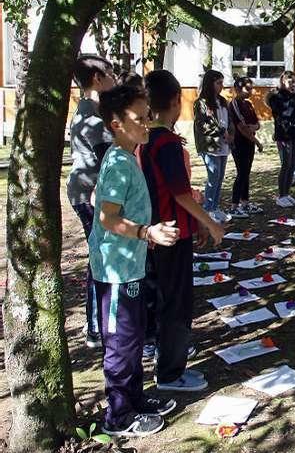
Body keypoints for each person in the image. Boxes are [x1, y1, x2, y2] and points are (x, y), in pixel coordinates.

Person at [91, 84, 179, 437]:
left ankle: (136, 399)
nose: (147, 124)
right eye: (139, 119)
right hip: (115, 272)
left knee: (134, 337)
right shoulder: (118, 163)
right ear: (116, 124)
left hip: (131, 266)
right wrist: (146, 232)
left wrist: (148, 235)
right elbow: (107, 218)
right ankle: (118, 417)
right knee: (121, 343)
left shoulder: (129, 157)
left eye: (147, 117)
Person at [141, 70, 224, 392]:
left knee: (166, 300)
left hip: (161, 231)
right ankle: (170, 374)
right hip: (171, 235)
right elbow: (179, 193)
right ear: (177, 101)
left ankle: (168, 366)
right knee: (176, 303)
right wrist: (209, 222)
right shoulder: (167, 143)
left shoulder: (146, 140)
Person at [67, 55, 117, 348]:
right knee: (99, 258)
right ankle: (96, 326)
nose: (114, 79)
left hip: (90, 192)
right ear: (97, 79)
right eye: (110, 74)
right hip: (89, 194)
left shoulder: (94, 111)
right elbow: (108, 162)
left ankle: (97, 324)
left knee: (100, 256)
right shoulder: (92, 118)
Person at [193, 69, 233, 224]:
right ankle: (208, 209)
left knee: (220, 177)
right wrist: (221, 132)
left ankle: (215, 207)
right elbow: (202, 125)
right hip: (210, 145)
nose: (221, 86)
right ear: (210, 84)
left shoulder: (222, 101)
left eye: (222, 83)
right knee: (213, 176)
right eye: (218, 83)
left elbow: (228, 121)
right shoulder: (201, 103)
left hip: (223, 144)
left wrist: (230, 133)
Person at [267, 71, 295, 207]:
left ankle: (287, 193)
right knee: (286, 164)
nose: (293, 85)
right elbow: (282, 114)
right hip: (284, 134)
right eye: (290, 82)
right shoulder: (276, 97)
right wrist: (293, 101)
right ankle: (281, 195)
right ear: (283, 81)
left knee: (293, 164)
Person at [228, 76, 264, 218]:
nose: (250, 91)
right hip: (239, 143)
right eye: (247, 88)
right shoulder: (234, 104)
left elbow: (257, 124)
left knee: (246, 173)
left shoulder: (248, 104)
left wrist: (253, 128)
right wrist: (257, 141)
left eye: (251, 88)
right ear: (237, 89)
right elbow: (242, 128)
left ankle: (245, 202)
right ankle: (234, 206)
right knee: (241, 173)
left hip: (249, 143)